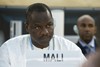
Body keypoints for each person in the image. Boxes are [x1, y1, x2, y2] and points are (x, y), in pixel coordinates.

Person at [0, 3, 86, 67]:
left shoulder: (69, 48)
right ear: (27, 27)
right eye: (37, 27)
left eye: (49, 25)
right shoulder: (9, 49)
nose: (45, 32)